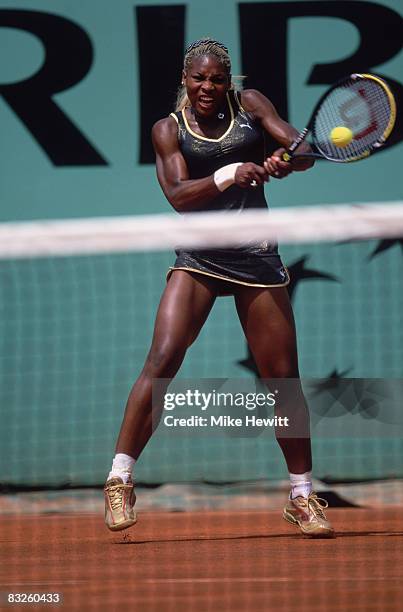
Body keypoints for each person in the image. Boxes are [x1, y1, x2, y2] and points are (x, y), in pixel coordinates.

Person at [104, 38, 334, 537]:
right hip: (200, 256)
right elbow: (180, 196)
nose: (207, 87)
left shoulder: (251, 107)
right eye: (198, 78)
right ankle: (120, 479)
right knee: (162, 361)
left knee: (283, 380)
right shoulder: (168, 129)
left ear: (229, 81)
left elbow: (303, 152)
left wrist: (283, 161)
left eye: (216, 79)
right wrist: (232, 173)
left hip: (255, 254)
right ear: (185, 80)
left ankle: (302, 494)